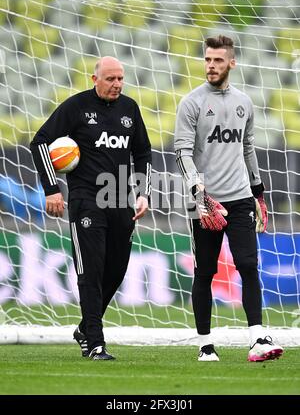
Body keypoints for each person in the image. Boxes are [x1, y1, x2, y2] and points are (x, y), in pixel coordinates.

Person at [30, 56, 152, 360]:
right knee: (91, 270)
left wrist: (143, 193)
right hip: (86, 199)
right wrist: (52, 189)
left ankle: (85, 327)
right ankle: (95, 343)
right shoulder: (76, 107)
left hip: (121, 198)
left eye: (121, 78)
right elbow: (40, 142)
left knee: (117, 270)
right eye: (111, 79)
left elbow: (143, 152)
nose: (117, 85)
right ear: (94, 78)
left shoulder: (130, 109)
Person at [174, 35, 283, 362]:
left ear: (231, 63)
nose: (211, 65)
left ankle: (257, 339)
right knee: (204, 272)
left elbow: (247, 147)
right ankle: (206, 346)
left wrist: (259, 192)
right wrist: (199, 193)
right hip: (205, 202)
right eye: (208, 59)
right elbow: (182, 153)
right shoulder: (191, 103)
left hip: (239, 199)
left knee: (248, 266)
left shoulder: (244, 103)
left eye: (218, 60)